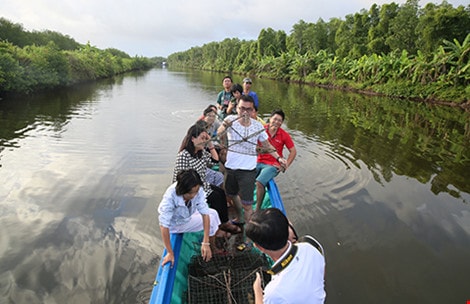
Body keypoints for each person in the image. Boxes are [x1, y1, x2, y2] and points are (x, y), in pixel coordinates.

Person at [217, 95, 286, 224]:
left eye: (248, 109)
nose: (245, 112)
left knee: (247, 205)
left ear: (253, 110)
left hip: (247, 171)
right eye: (242, 108)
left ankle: (249, 233)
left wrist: (279, 158)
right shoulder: (230, 120)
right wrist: (224, 127)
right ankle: (239, 217)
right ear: (237, 108)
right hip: (230, 168)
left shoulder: (257, 126)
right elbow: (219, 132)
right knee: (231, 195)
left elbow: (267, 145)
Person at [246, 208, 326, 304]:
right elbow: (322, 273)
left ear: (259, 247)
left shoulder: (273, 292)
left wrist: (257, 290)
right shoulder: (310, 246)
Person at [174, 122, 241, 235]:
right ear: (193, 139)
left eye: (206, 138)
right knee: (215, 197)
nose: (204, 140)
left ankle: (222, 221)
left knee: (220, 192)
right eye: (202, 138)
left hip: (201, 185)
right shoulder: (184, 156)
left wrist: (210, 143)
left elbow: (215, 160)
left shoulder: (200, 152)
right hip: (190, 189)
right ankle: (222, 224)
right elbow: (181, 180)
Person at [158, 169, 220, 267]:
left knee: (214, 213)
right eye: (191, 193)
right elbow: (163, 226)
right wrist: (170, 252)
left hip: (188, 212)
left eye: (196, 192)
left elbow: (205, 213)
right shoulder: (170, 198)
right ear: (182, 190)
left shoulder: (196, 189)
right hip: (176, 224)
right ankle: (213, 247)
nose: (194, 195)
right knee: (211, 221)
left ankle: (209, 243)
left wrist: (205, 242)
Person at [255, 109, 296, 210]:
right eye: (275, 119)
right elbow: (254, 147)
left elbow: (293, 151)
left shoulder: (284, 135)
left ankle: (257, 210)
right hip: (258, 161)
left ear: (282, 123)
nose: (277, 122)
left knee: (259, 182)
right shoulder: (261, 130)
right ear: (270, 119)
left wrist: (285, 165)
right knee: (243, 176)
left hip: (272, 164)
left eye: (280, 120)